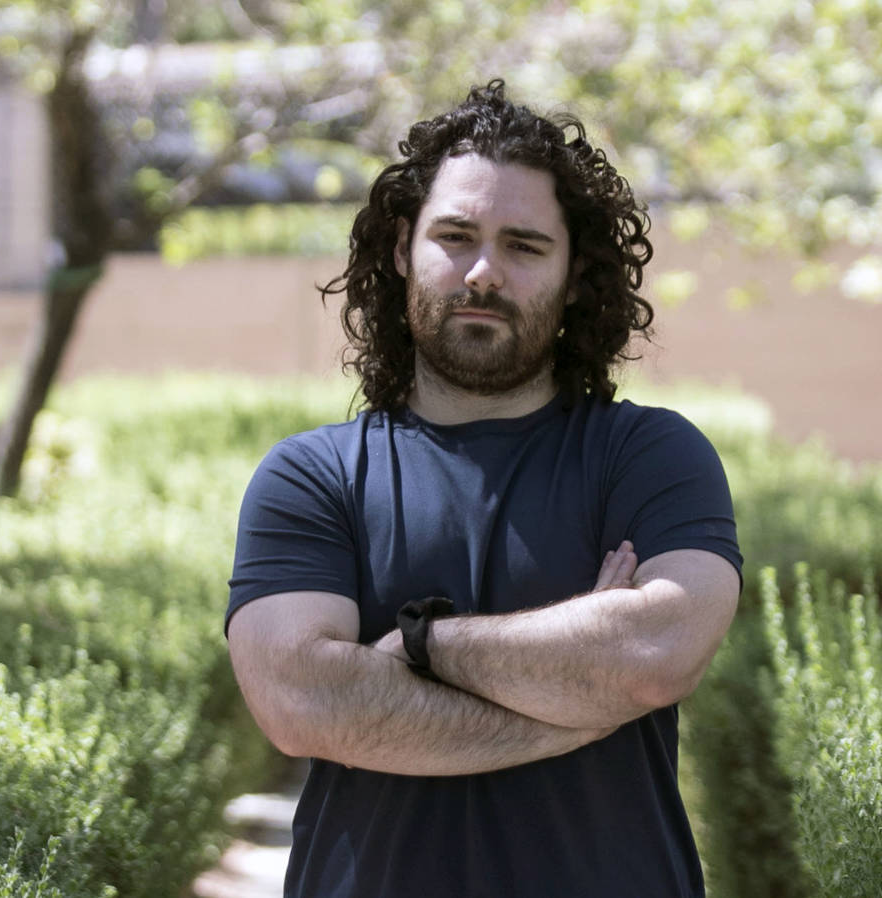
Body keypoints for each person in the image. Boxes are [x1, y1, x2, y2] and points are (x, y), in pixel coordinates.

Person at [225, 80, 742, 898]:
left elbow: (656, 652)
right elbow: (300, 701)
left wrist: (426, 648)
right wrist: (580, 704)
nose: (483, 272)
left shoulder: (649, 455)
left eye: (525, 246)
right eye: (456, 236)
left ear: (576, 276)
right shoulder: (312, 477)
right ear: (402, 252)